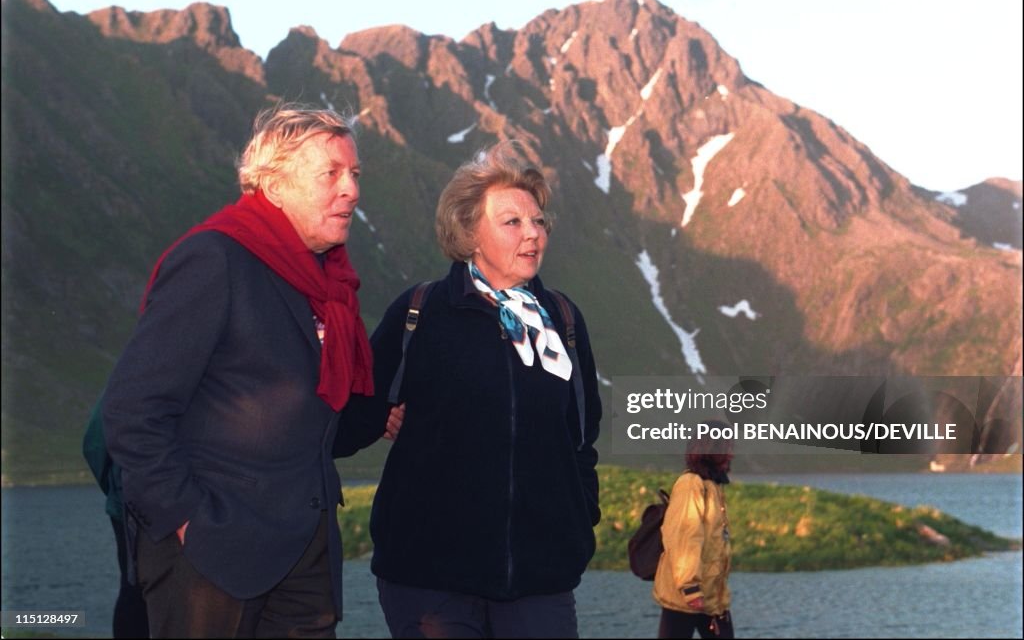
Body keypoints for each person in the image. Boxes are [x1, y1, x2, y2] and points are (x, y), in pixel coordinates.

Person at [102, 104, 387, 638]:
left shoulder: (325, 284)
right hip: (213, 560)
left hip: (304, 557)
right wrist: (188, 519)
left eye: (354, 174)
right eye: (331, 173)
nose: (351, 190)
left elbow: (312, 419)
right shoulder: (216, 259)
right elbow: (133, 410)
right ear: (274, 184)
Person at [349, 142, 603, 638]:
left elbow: (582, 436)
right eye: (512, 222)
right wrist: (381, 418)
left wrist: (578, 519)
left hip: (538, 579)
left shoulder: (565, 320)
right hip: (431, 582)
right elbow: (355, 410)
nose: (532, 234)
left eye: (538, 221)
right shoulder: (421, 313)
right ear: (469, 234)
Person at [654, 420, 735, 639]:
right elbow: (684, 536)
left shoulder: (712, 485)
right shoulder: (691, 485)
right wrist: (690, 588)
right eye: (727, 447)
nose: (731, 454)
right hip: (688, 596)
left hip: (711, 597)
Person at [82, 392, 149, 638]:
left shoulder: (126, 379)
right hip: (132, 504)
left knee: (133, 587)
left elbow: (94, 444)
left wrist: (114, 489)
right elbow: (94, 444)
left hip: (125, 503)